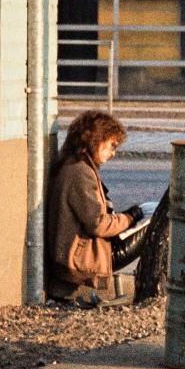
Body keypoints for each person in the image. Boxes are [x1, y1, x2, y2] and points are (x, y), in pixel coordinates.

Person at [45, 111, 146, 307]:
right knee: (155, 224)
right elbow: (98, 224)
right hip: (79, 260)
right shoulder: (79, 172)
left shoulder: (75, 165)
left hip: (76, 253)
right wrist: (130, 218)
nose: (113, 153)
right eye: (111, 146)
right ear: (95, 141)